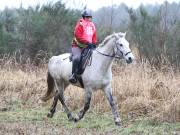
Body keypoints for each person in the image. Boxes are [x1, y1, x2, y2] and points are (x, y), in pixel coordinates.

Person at [69, 9, 97, 83]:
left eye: (89, 17)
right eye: (87, 17)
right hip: (77, 46)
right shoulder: (80, 24)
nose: (88, 19)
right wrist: (87, 42)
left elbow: (93, 36)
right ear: (83, 17)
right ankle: (73, 75)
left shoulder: (92, 26)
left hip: (88, 46)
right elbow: (77, 36)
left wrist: (94, 43)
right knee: (77, 58)